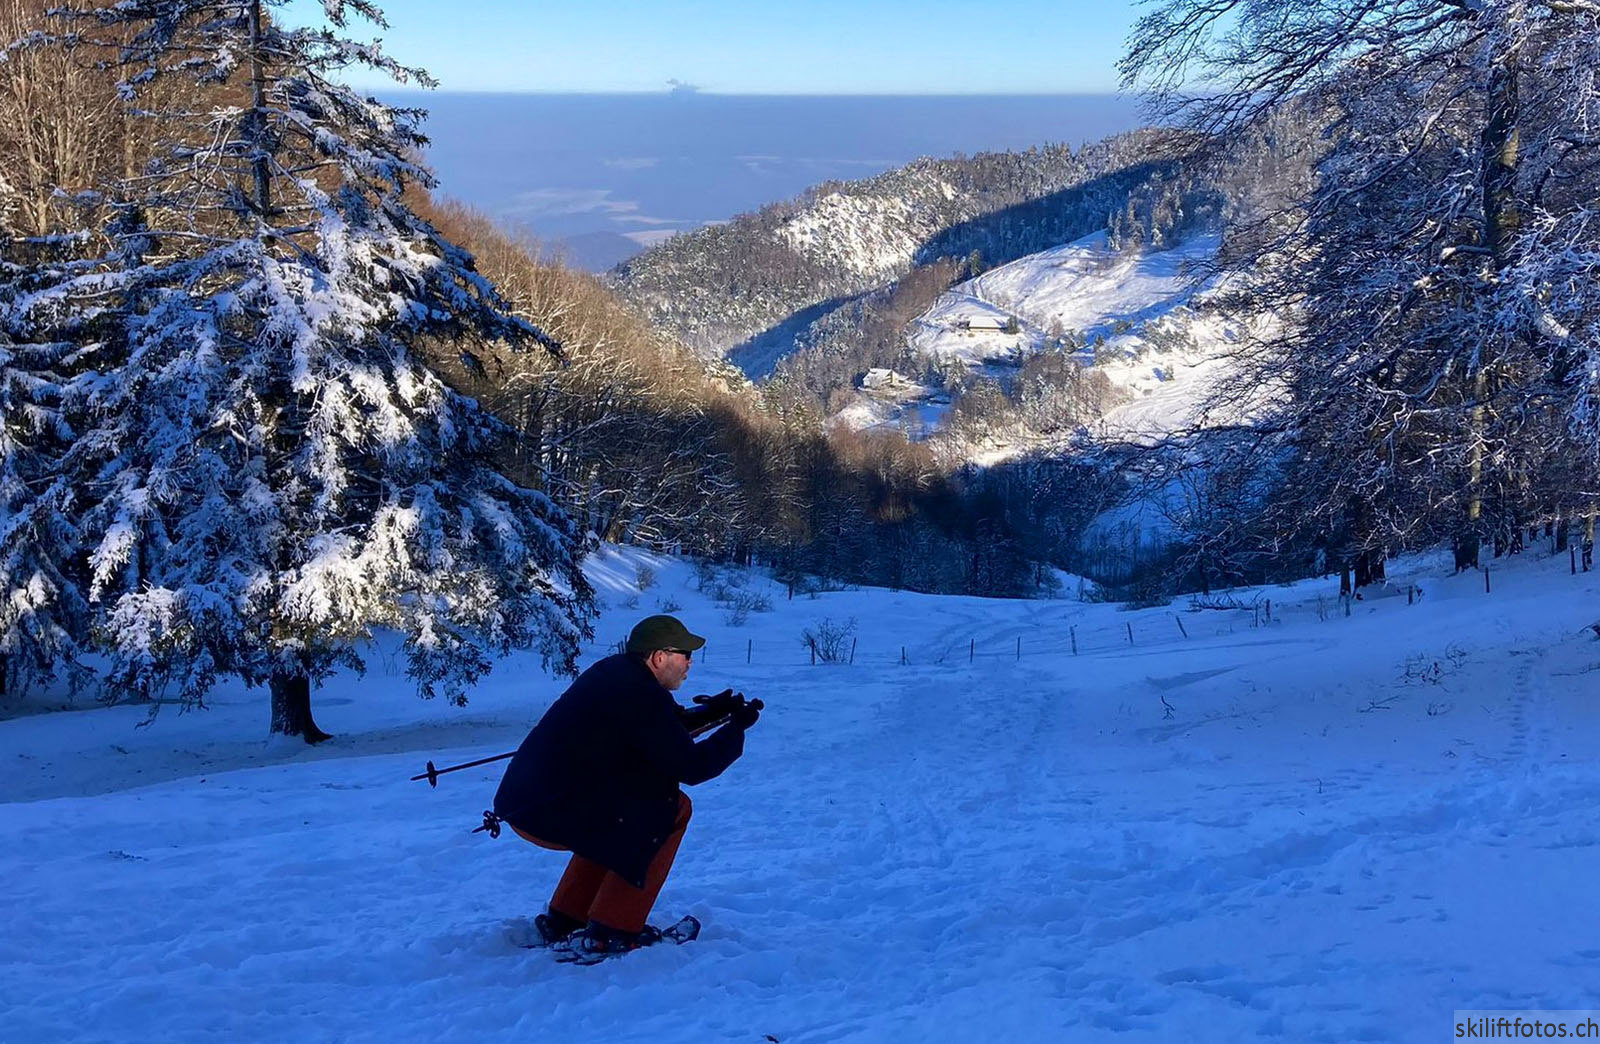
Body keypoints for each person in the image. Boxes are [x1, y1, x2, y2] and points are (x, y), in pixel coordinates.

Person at [493, 614, 759, 956]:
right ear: (659, 657)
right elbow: (692, 766)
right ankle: (613, 929)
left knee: (624, 808)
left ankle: (567, 918)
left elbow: (659, 733)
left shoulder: (617, 673)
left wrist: (714, 714)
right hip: (548, 810)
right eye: (684, 654)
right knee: (668, 807)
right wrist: (734, 731)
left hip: (528, 803)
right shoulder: (641, 694)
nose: (690, 662)